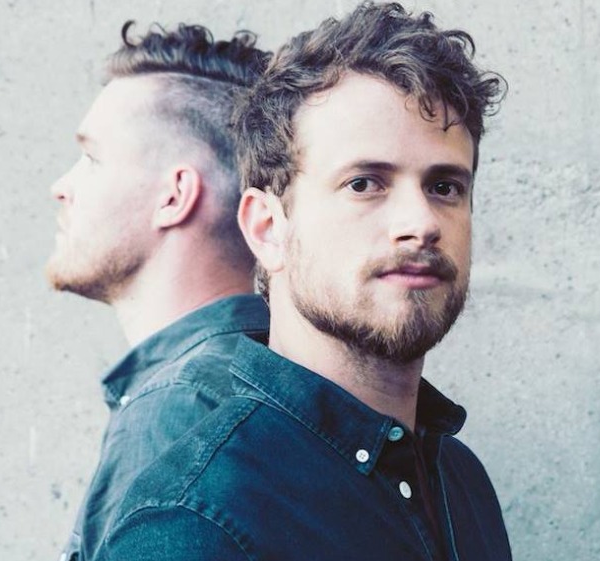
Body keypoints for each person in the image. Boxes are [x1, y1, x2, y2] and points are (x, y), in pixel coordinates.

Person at [95, 2, 511, 560]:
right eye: (365, 183)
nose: (421, 223)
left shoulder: (461, 480)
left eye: (445, 187)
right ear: (267, 228)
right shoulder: (194, 518)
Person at [46, 22, 270, 561]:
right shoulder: (274, 383)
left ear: (174, 196)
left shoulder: (176, 412)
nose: (61, 187)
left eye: (92, 158)